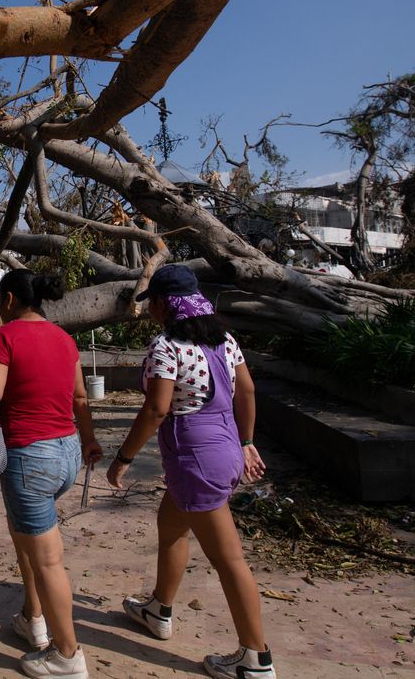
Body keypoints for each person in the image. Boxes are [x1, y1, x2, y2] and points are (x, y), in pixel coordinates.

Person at [105, 265, 275, 679]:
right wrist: (247, 440)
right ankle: (158, 608)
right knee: (172, 526)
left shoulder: (166, 347)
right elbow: (247, 390)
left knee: (230, 559)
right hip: (225, 450)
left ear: (164, 304)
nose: (150, 312)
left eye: (153, 304)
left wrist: (124, 457)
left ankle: (256, 659)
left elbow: (157, 408)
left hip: (195, 459)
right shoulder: (224, 341)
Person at [0, 269, 103, 679]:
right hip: (66, 452)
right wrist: (89, 442)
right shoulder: (65, 339)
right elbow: (80, 397)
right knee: (24, 533)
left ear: (10, 299)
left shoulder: (5, 336)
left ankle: (67, 655)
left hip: (30, 457)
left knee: (48, 560)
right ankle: (33, 619)